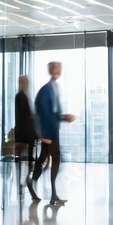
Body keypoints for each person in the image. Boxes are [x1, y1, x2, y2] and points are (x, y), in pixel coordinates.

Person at [31, 62, 75, 205]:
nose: (59, 70)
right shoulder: (45, 90)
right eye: (56, 68)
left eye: (60, 68)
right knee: (55, 160)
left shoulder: (55, 88)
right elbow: (42, 113)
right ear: (51, 70)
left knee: (42, 160)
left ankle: (32, 184)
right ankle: (52, 195)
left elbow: (53, 113)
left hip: (52, 132)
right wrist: (44, 135)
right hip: (48, 134)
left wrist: (63, 117)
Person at [14, 76, 39, 200]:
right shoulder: (20, 97)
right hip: (25, 134)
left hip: (26, 133)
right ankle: (26, 184)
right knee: (28, 161)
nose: (24, 84)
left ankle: (26, 184)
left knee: (29, 161)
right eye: (22, 82)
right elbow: (26, 116)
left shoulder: (23, 96)